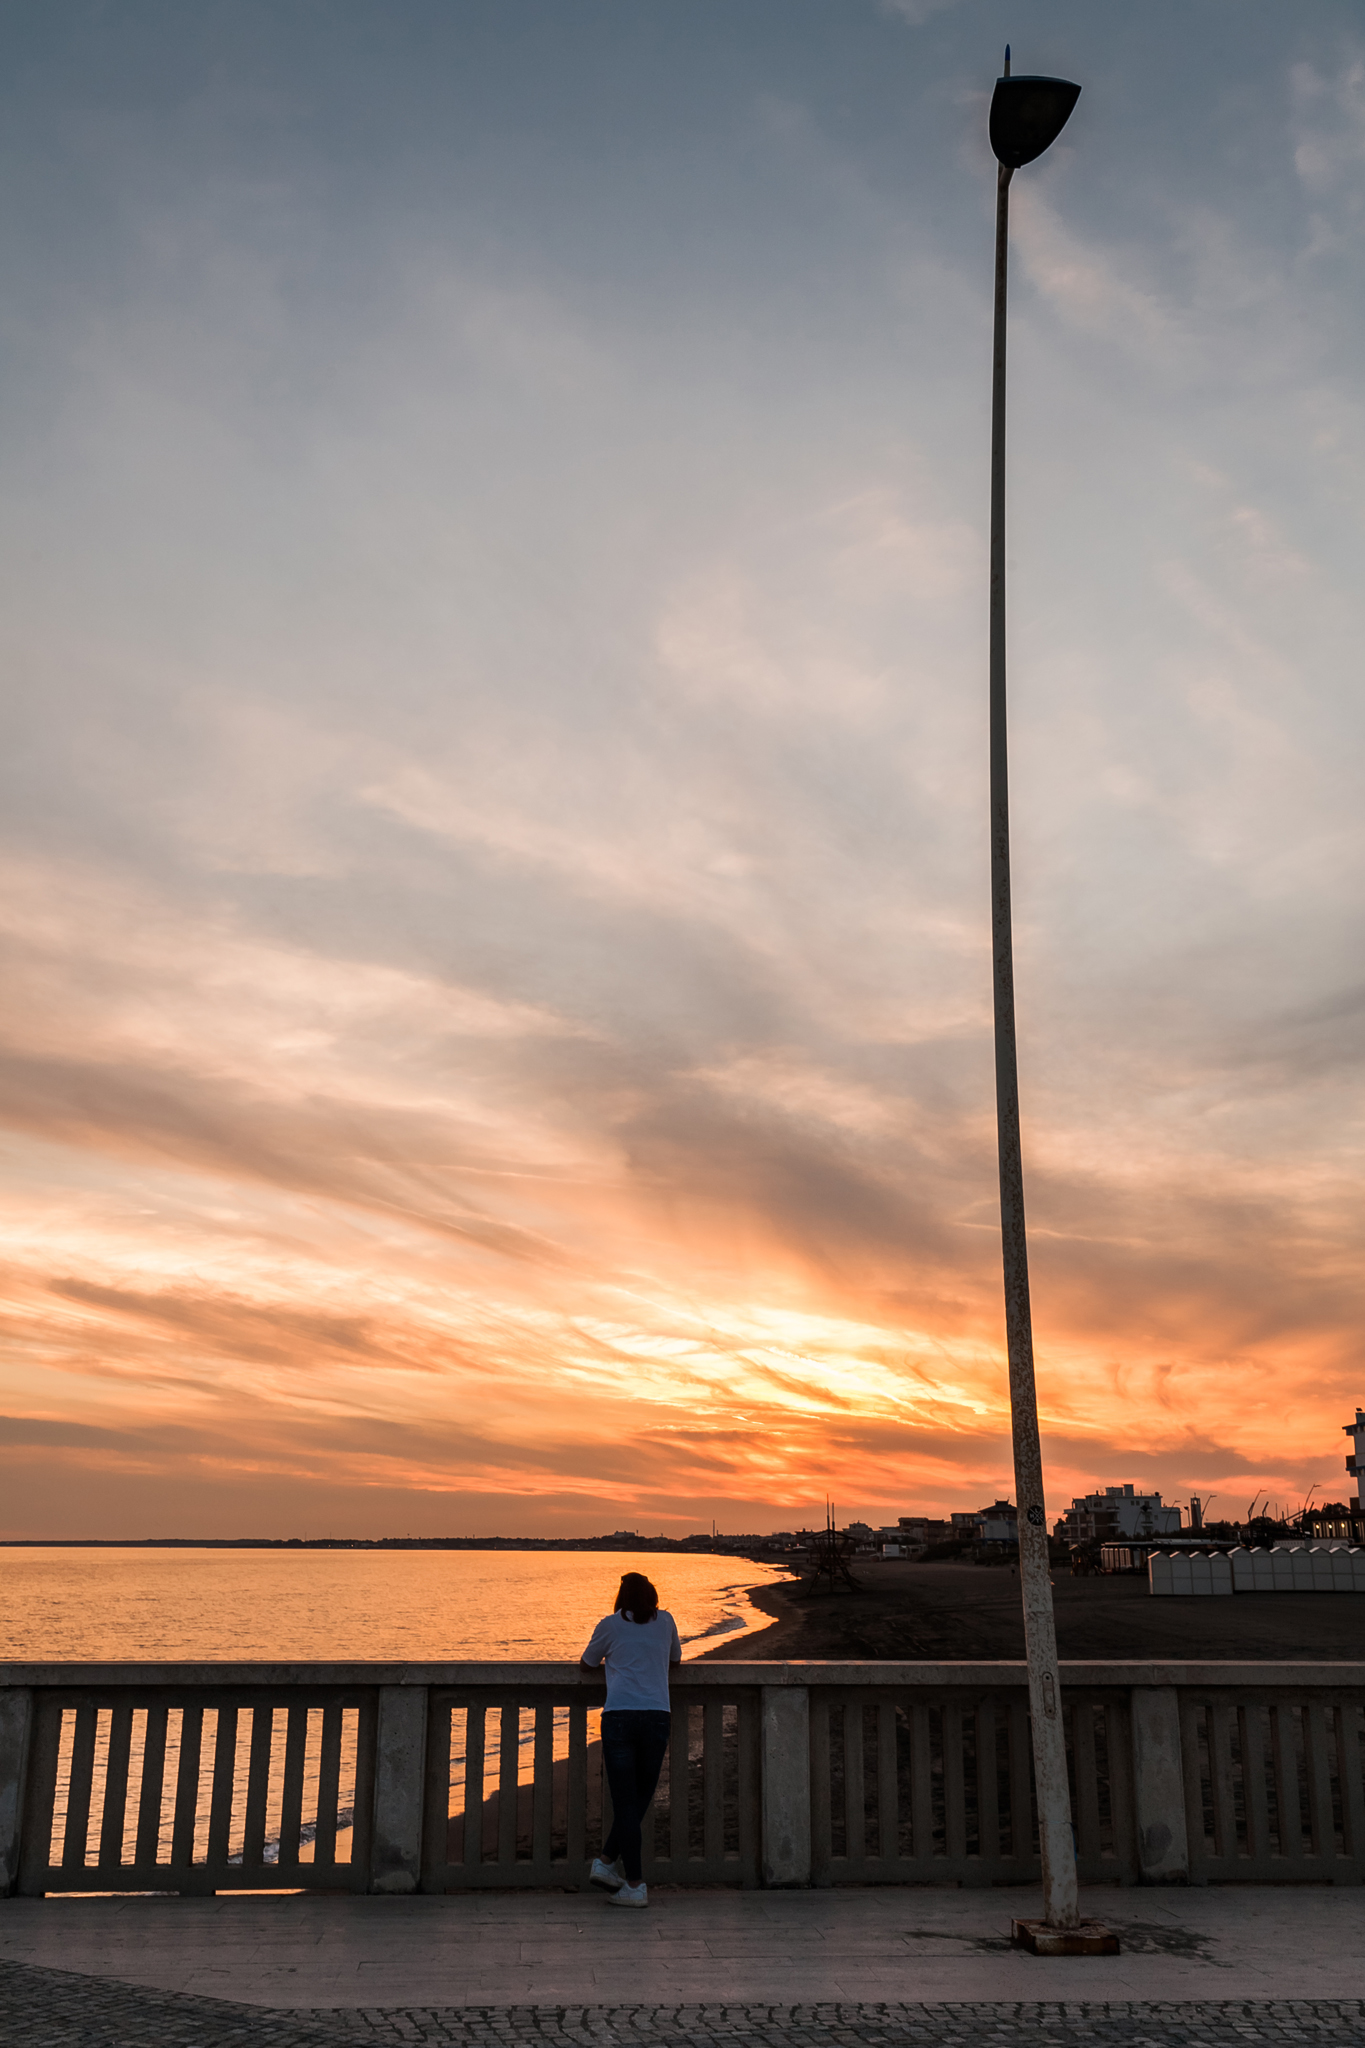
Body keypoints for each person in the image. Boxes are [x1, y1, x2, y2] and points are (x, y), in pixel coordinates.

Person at [579, 1570, 681, 1908]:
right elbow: (675, 1660)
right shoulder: (666, 1622)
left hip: (620, 1716)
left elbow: (586, 1663)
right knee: (638, 1799)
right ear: (652, 1597)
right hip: (656, 1716)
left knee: (626, 1802)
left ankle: (634, 1883)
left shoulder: (609, 1625)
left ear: (621, 1599)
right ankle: (607, 1864)